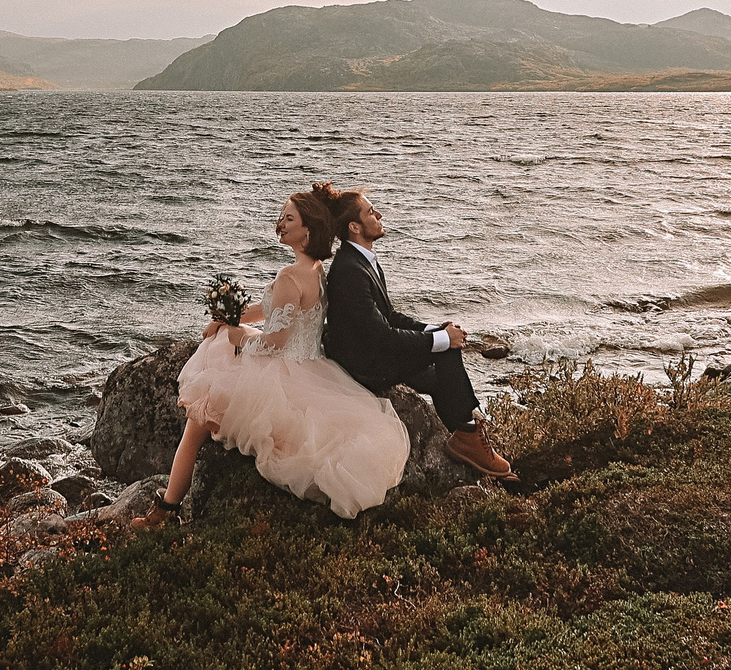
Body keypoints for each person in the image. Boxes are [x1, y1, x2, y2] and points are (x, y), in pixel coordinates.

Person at [137, 192, 411, 524]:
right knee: (222, 340)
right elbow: (279, 311)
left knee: (199, 412)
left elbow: (276, 342)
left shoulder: (290, 276)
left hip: (285, 368)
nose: (280, 223)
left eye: (289, 219)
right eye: (281, 216)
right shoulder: (317, 270)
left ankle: (166, 508)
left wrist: (236, 336)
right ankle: (169, 504)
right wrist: (231, 318)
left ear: (308, 230)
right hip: (312, 365)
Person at [314, 182, 517, 479]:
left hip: (371, 352)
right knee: (444, 350)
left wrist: (433, 329)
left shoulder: (361, 260)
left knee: (439, 374)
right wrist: (441, 339)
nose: (380, 214)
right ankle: (468, 435)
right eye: (372, 212)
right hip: (364, 365)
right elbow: (380, 335)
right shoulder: (348, 270)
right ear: (355, 226)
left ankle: (465, 437)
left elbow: (389, 315)